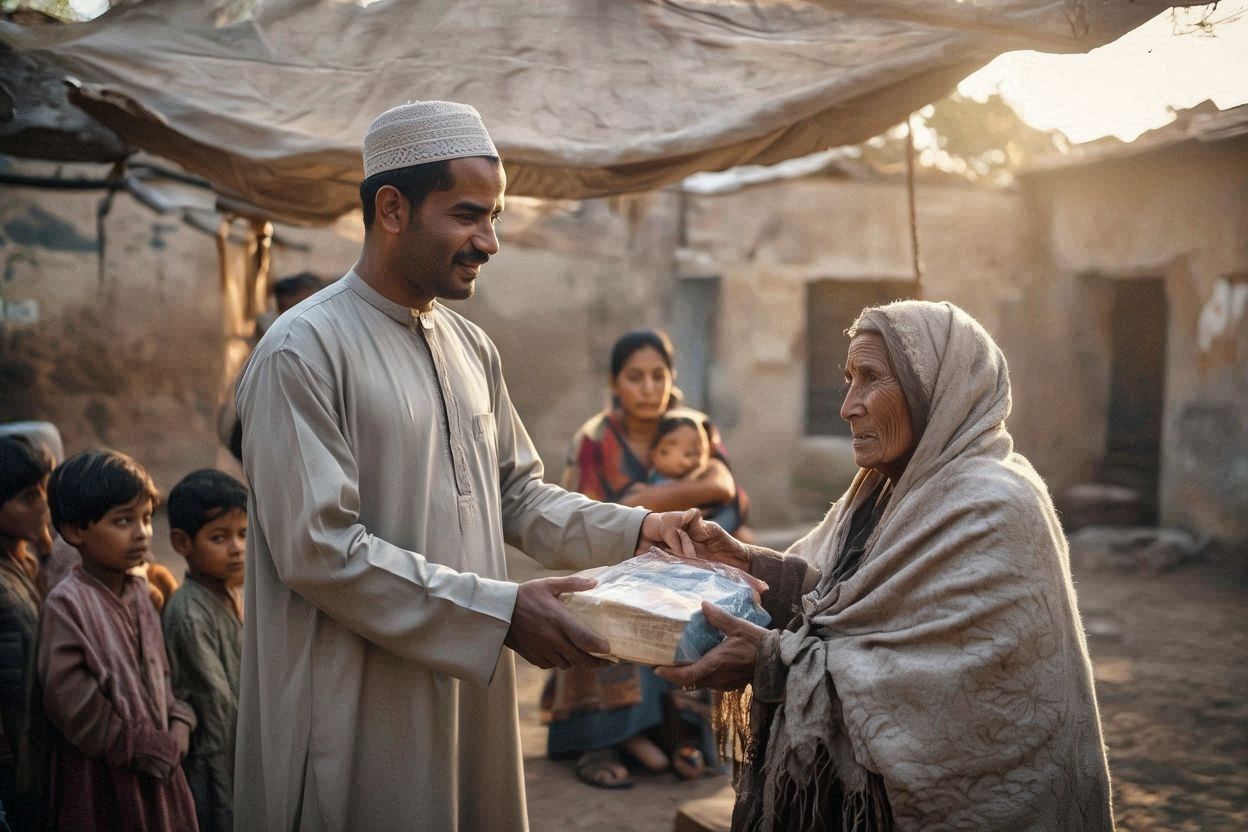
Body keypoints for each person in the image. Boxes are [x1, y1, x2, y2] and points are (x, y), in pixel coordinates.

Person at [233, 101, 699, 831]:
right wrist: (503, 612)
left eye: (496, 217)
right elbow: (318, 551)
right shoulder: (303, 350)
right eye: (468, 215)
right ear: (392, 208)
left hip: (465, 686)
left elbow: (514, 494)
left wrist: (638, 532)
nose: (490, 241)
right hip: (353, 704)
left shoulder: (470, 347)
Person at [657, 300, 1114, 831]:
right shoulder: (885, 488)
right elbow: (839, 592)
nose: (848, 406)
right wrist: (747, 562)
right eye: (848, 379)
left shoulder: (995, 506)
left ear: (934, 392)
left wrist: (772, 659)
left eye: (871, 378)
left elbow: (939, 690)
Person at [544, 330, 746, 789]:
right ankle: (603, 740)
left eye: (659, 375)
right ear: (615, 383)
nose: (649, 387)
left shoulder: (693, 424)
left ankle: (681, 735)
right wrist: (637, 531)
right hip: (616, 564)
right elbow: (578, 516)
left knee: (707, 607)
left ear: (672, 378)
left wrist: (651, 497)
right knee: (601, 607)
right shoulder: (594, 439)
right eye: (635, 377)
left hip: (685, 564)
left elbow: (722, 485)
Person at [39, 450, 198, 831]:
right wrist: (141, 747)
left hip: (160, 766)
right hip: (105, 777)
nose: (142, 532)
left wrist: (179, 721)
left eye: (146, 518)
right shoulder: (67, 604)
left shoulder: (141, 592)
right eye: (123, 521)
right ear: (75, 531)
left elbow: (162, 672)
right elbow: (72, 704)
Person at [162, 470, 247, 832]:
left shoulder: (229, 593)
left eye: (244, 534)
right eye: (219, 537)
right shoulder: (189, 614)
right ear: (182, 543)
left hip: (238, 749)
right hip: (215, 760)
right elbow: (217, 706)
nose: (237, 548)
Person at [0, 436, 53, 832]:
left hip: (37, 744)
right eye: (26, 497)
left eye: (43, 491)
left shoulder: (27, 560)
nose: (42, 505)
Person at [217, 272, 327, 462]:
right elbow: (240, 440)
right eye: (289, 314)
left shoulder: (344, 360)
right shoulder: (274, 361)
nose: (297, 323)